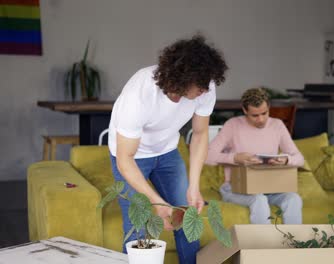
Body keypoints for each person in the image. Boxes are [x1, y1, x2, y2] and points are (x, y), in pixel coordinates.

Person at [107, 35, 227, 263]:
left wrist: (194, 187)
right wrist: (158, 203)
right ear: (182, 79)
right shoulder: (139, 95)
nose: (206, 89)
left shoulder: (205, 85)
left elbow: (200, 134)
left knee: (188, 215)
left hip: (168, 152)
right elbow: (125, 160)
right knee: (137, 228)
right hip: (132, 158)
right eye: (200, 85)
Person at [205, 88, 304, 224]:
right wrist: (235, 158)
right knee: (259, 199)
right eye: (254, 115)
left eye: (264, 113)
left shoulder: (277, 125)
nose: (261, 119)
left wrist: (286, 159)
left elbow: (300, 159)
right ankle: (263, 245)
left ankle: (294, 243)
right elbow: (207, 156)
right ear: (245, 111)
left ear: (269, 107)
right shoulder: (233, 125)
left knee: (294, 199)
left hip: (269, 188)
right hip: (235, 189)